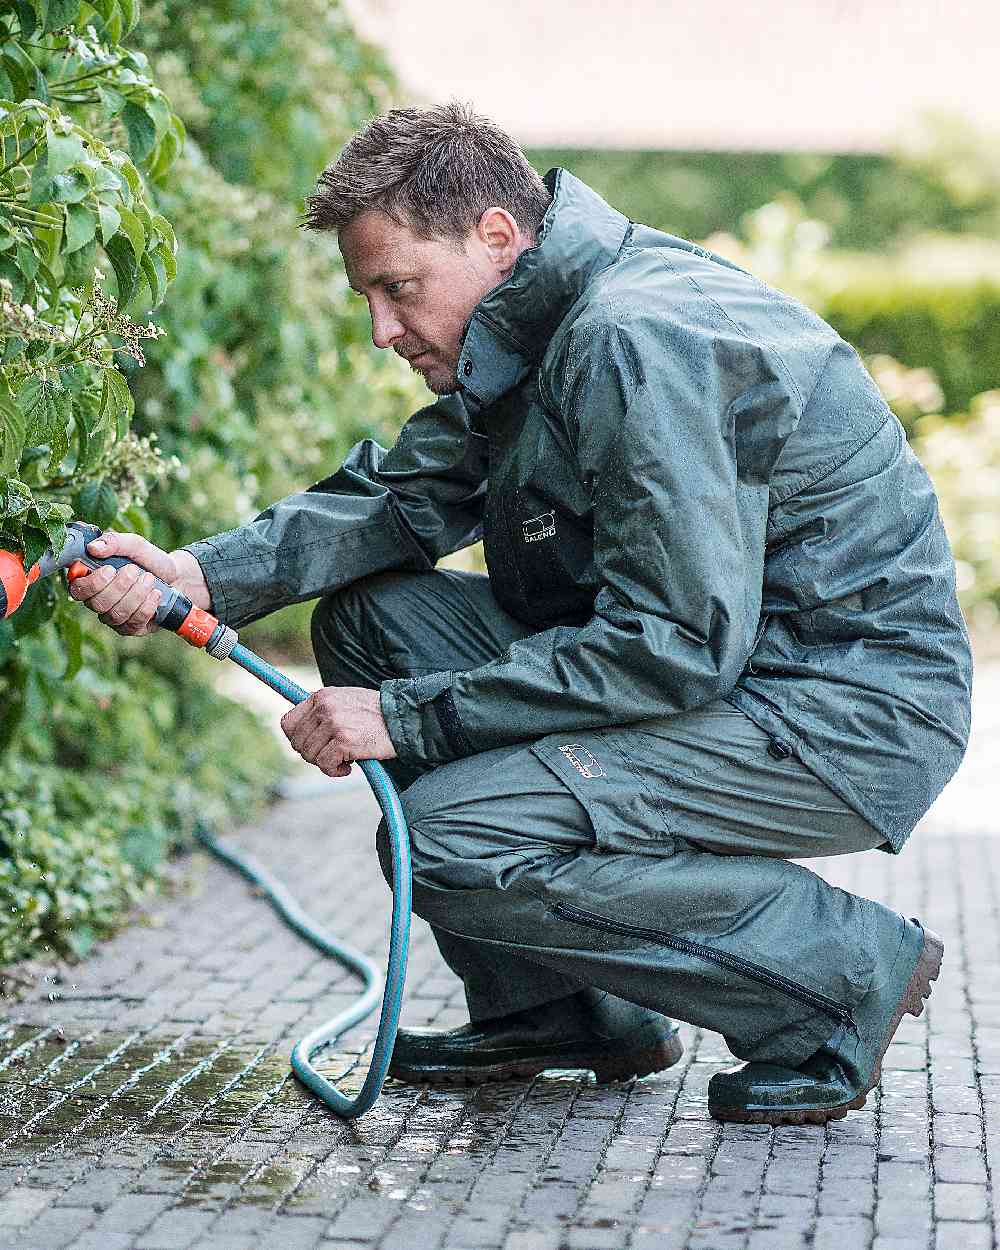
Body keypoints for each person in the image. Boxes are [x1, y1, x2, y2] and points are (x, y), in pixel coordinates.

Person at [70, 102, 973, 1125]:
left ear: (495, 235)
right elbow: (406, 495)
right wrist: (196, 571)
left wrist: (406, 718)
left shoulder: (636, 340)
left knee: (453, 842)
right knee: (375, 625)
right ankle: (565, 1010)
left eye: (396, 288)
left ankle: (838, 973)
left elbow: (674, 641)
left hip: (839, 710)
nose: (381, 329)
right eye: (367, 296)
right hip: (727, 665)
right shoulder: (536, 326)